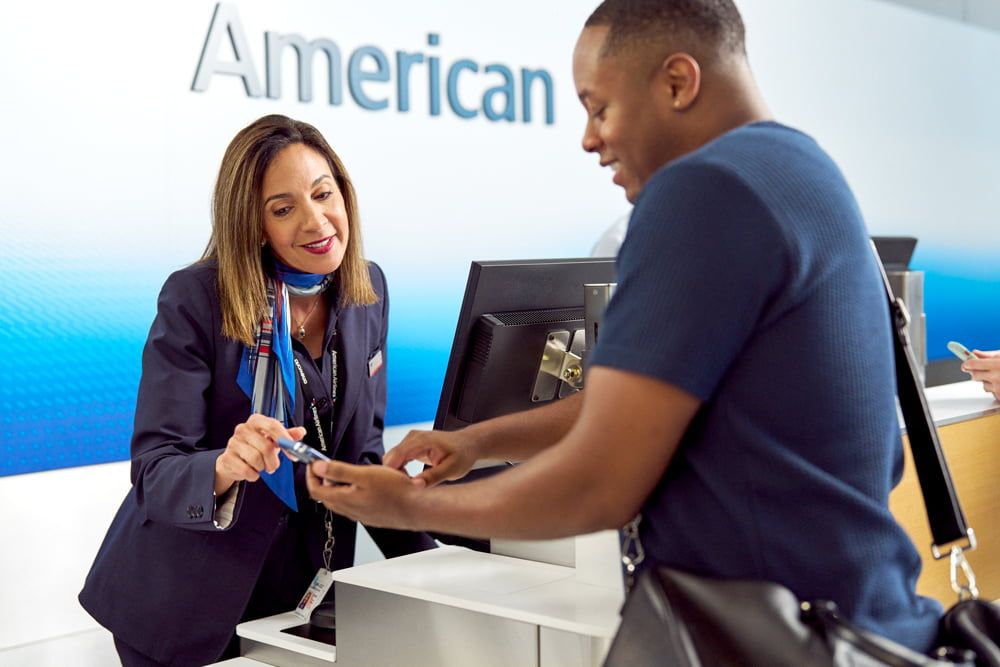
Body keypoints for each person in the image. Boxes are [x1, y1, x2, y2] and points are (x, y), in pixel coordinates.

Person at [305, 0, 944, 654]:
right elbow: (641, 402)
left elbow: (600, 481)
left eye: (598, 107)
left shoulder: (702, 190)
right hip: (860, 623)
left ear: (676, 81)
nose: (589, 138)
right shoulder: (802, 171)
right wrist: (479, 442)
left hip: (772, 639)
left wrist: (407, 507)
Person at [79, 114, 433, 667]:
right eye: (283, 208)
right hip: (185, 605)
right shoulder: (197, 298)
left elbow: (357, 460)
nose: (317, 221)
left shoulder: (368, 289)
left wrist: (439, 571)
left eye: (323, 194)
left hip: (295, 604)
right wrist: (224, 465)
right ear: (253, 224)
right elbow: (155, 470)